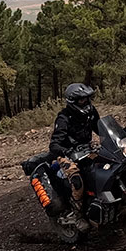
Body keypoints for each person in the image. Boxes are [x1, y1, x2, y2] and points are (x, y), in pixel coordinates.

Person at [49, 83, 99, 230]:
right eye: (82, 100)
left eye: (87, 98)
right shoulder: (64, 118)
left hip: (87, 150)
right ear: (73, 101)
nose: (86, 102)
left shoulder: (91, 112)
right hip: (67, 154)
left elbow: (100, 127)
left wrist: (118, 136)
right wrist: (67, 151)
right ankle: (78, 215)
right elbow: (54, 144)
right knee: (77, 180)